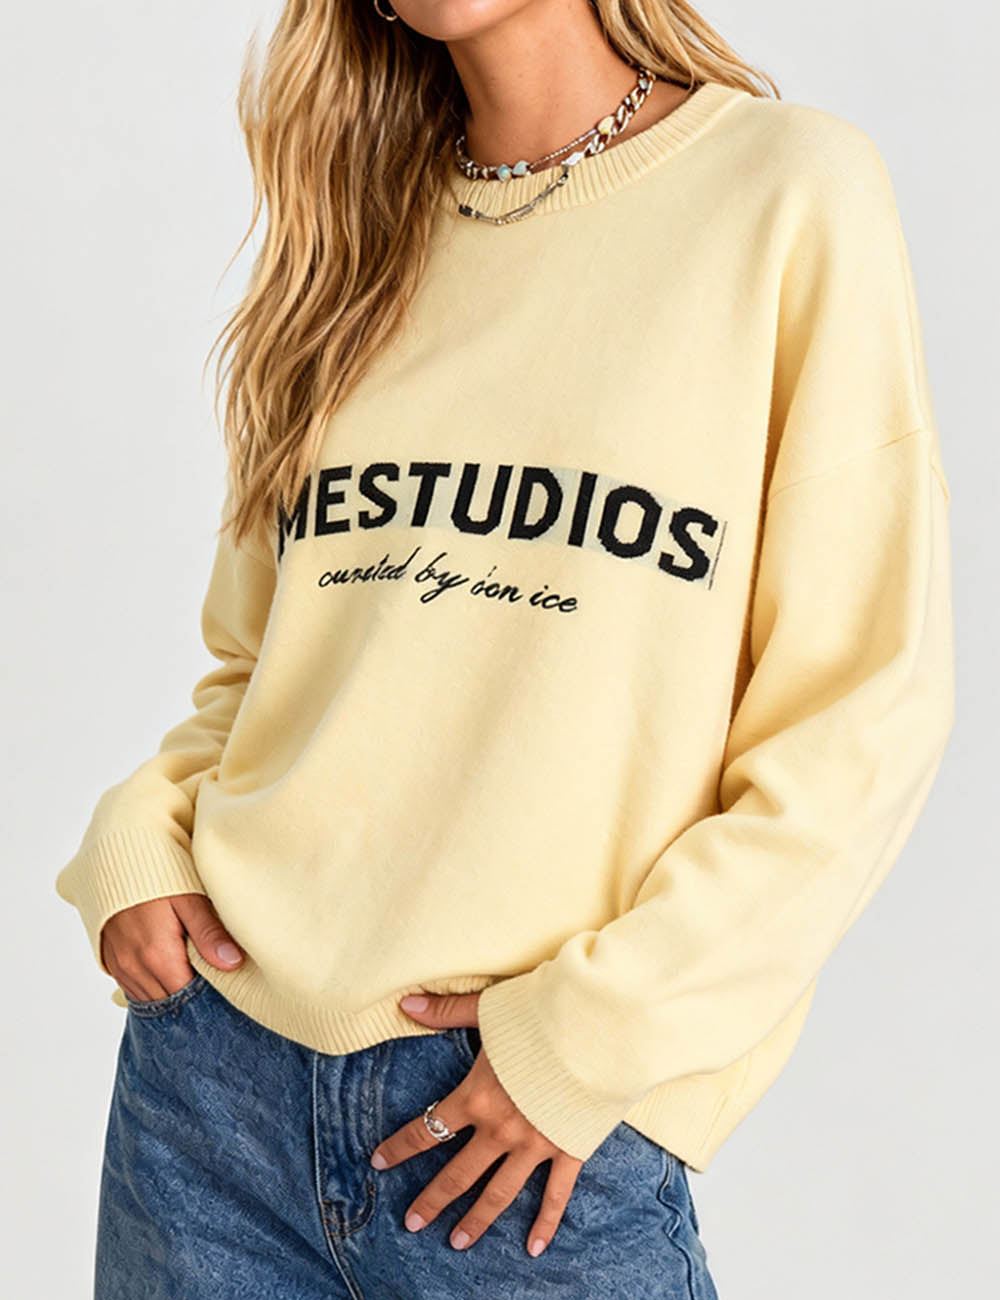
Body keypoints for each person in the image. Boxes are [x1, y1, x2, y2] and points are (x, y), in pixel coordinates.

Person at [55, 0, 955, 1296]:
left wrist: (590, 1037)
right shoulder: (348, 238)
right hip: (212, 1101)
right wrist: (142, 835)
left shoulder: (785, 196)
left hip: (522, 1143)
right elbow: (262, 674)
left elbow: (860, 713)